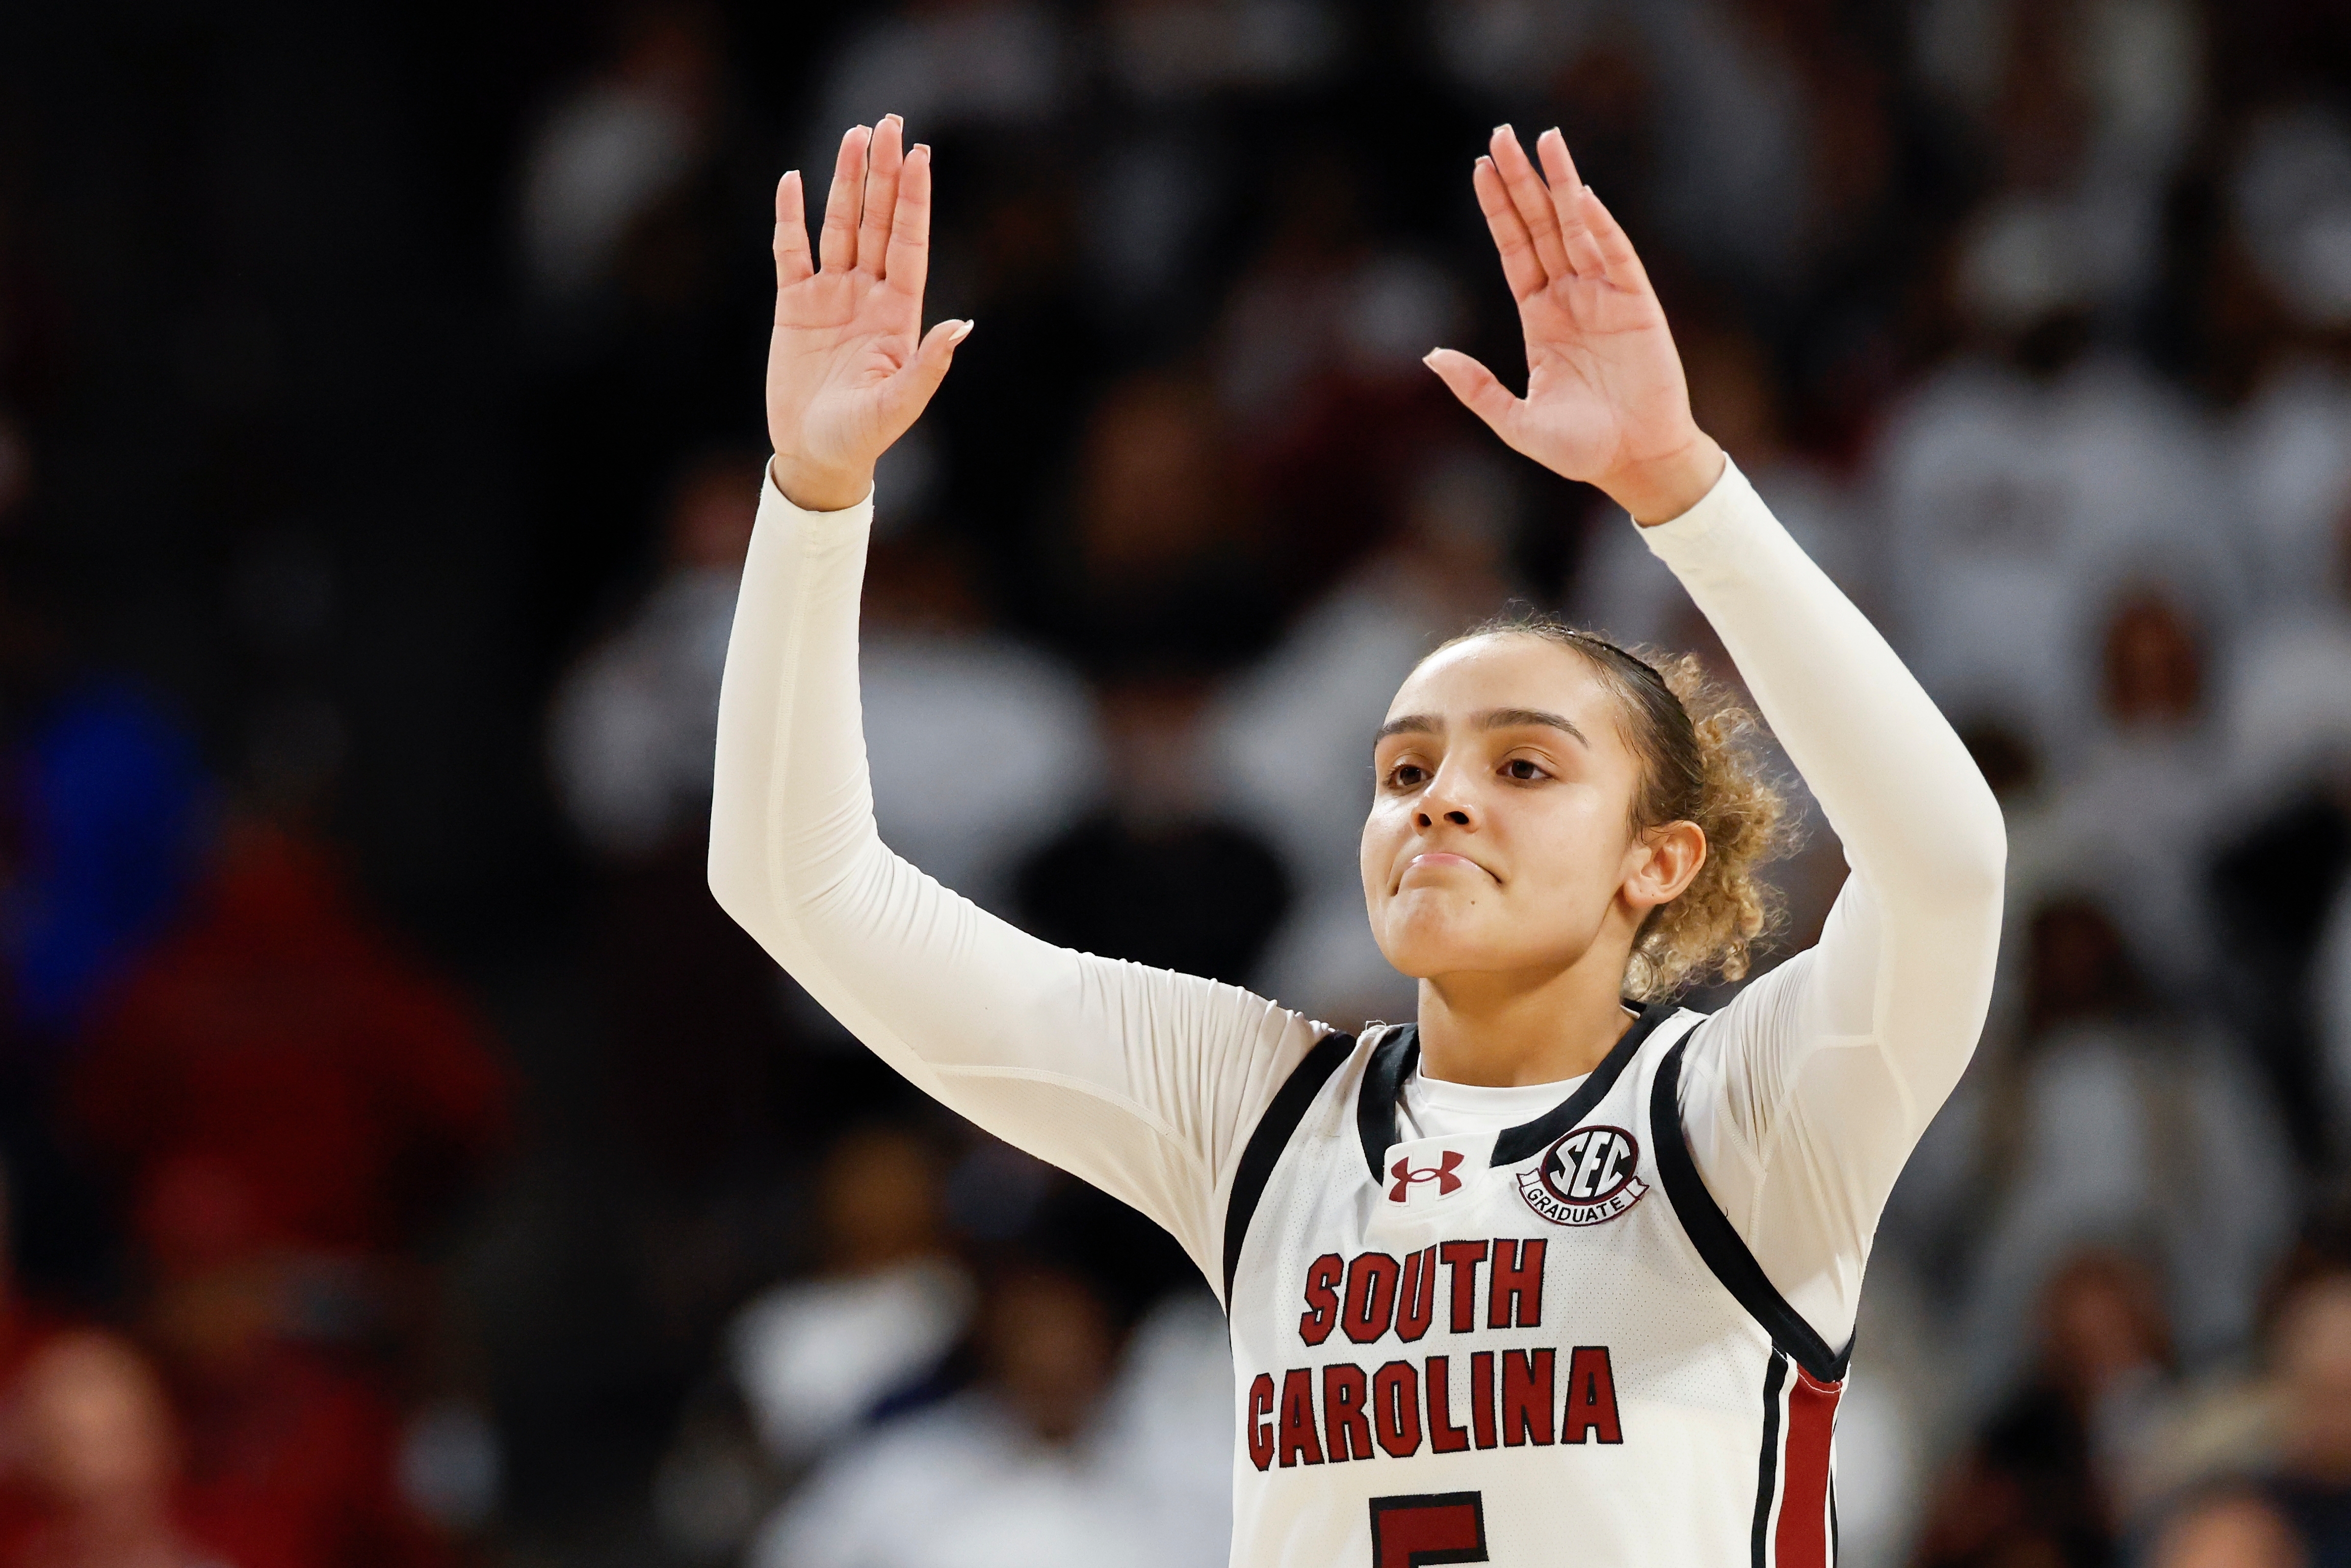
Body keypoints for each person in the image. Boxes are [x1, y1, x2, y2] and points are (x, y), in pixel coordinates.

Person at [711, 114, 2004, 1563]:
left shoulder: (1744, 1109)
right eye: (1403, 768)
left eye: (1524, 763)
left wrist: (1681, 492)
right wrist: (813, 499)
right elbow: (796, 885)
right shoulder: (1254, 1112)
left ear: (1662, 858)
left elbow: (1945, 866)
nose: (1439, 798)